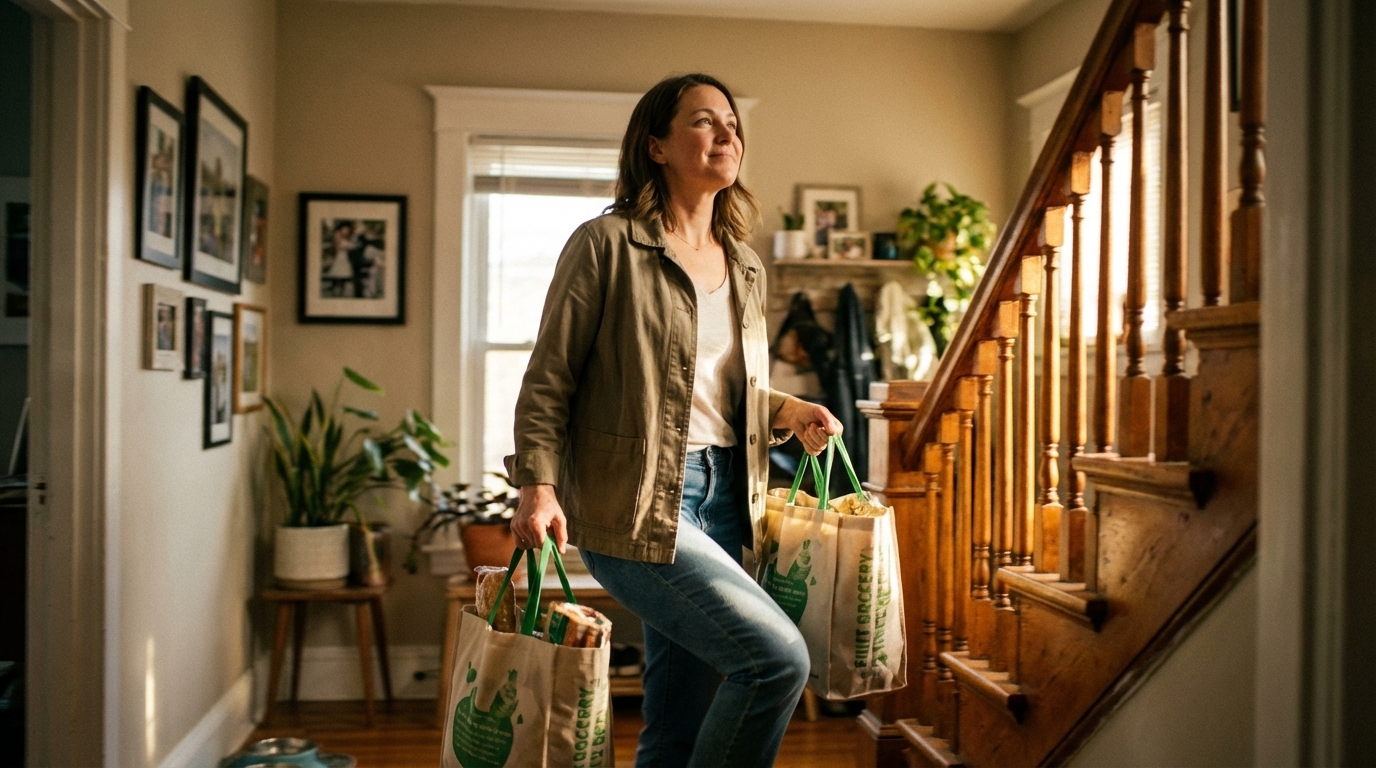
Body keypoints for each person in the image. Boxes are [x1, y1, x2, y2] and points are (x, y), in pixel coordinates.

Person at [505, 74, 843, 767]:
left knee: (679, 721)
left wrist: (788, 408)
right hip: (635, 505)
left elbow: (725, 389)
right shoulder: (605, 244)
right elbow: (550, 376)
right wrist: (537, 485)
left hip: (728, 500)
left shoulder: (745, 265)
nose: (726, 134)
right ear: (656, 146)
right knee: (775, 662)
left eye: (731, 123)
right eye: (703, 121)